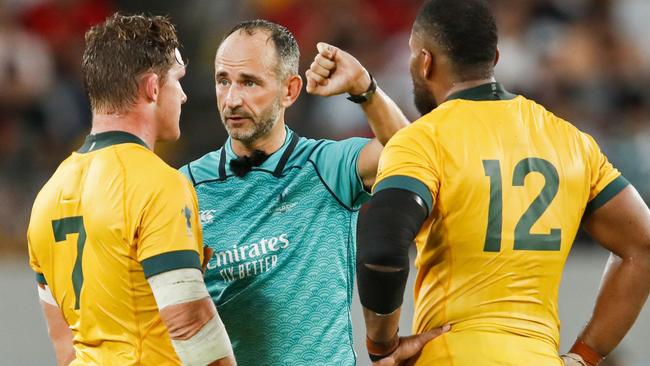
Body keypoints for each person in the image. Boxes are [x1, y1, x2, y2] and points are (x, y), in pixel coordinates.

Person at [355, 0, 650, 365]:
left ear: (424, 61)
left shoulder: (424, 139)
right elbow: (643, 243)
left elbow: (382, 250)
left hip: (452, 355)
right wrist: (585, 356)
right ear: (494, 58)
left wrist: (381, 346)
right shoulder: (571, 141)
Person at [179, 19, 441, 365]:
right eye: (223, 81)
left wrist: (365, 88)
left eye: (249, 82)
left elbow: (412, 155)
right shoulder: (185, 186)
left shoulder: (327, 166)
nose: (232, 99)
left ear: (289, 89)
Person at [27, 13, 235, 366]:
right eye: (177, 81)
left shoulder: (48, 195)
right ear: (153, 88)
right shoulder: (158, 184)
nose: (183, 95)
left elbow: (64, 346)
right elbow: (188, 322)